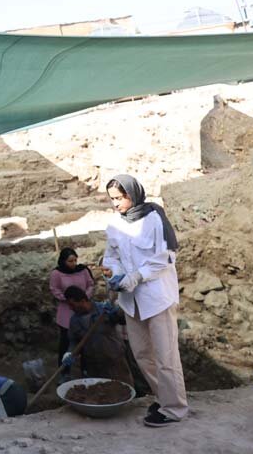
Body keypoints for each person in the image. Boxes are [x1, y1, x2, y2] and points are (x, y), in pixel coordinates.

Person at [102, 174, 188, 427]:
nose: (116, 204)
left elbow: (165, 257)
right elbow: (111, 256)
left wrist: (137, 276)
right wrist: (116, 274)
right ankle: (163, 398)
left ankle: (174, 408)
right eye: (112, 199)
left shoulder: (154, 219)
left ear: (133, 194)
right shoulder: (114, 224)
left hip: (157, 298)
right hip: (131, 301)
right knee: (142, 354)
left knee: (166, 356)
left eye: (120, 198)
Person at [62, 286, 134, 386]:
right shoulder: (74, 321)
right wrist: (70, 353)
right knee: (98, 391)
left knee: (122, 388)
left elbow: (123, 320)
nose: (70, 308)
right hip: (93, 365)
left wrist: (117, 311)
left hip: (114, 360)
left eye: (72, 305)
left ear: (82, 301)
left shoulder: (103, 310)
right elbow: (74, 341)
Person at [49, 247, 95, 377]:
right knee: (66, 344)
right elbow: (54, 289)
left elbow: (91, 284)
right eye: (70, 261)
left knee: (86, 343)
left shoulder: (83, 270)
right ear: (63, 261)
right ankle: (64, 372)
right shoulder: (57, 273)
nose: (73, 264)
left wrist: (84, 297)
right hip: (66, 312)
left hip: (83, 310)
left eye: (75, 260)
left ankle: (86, 370)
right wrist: (69, 300)